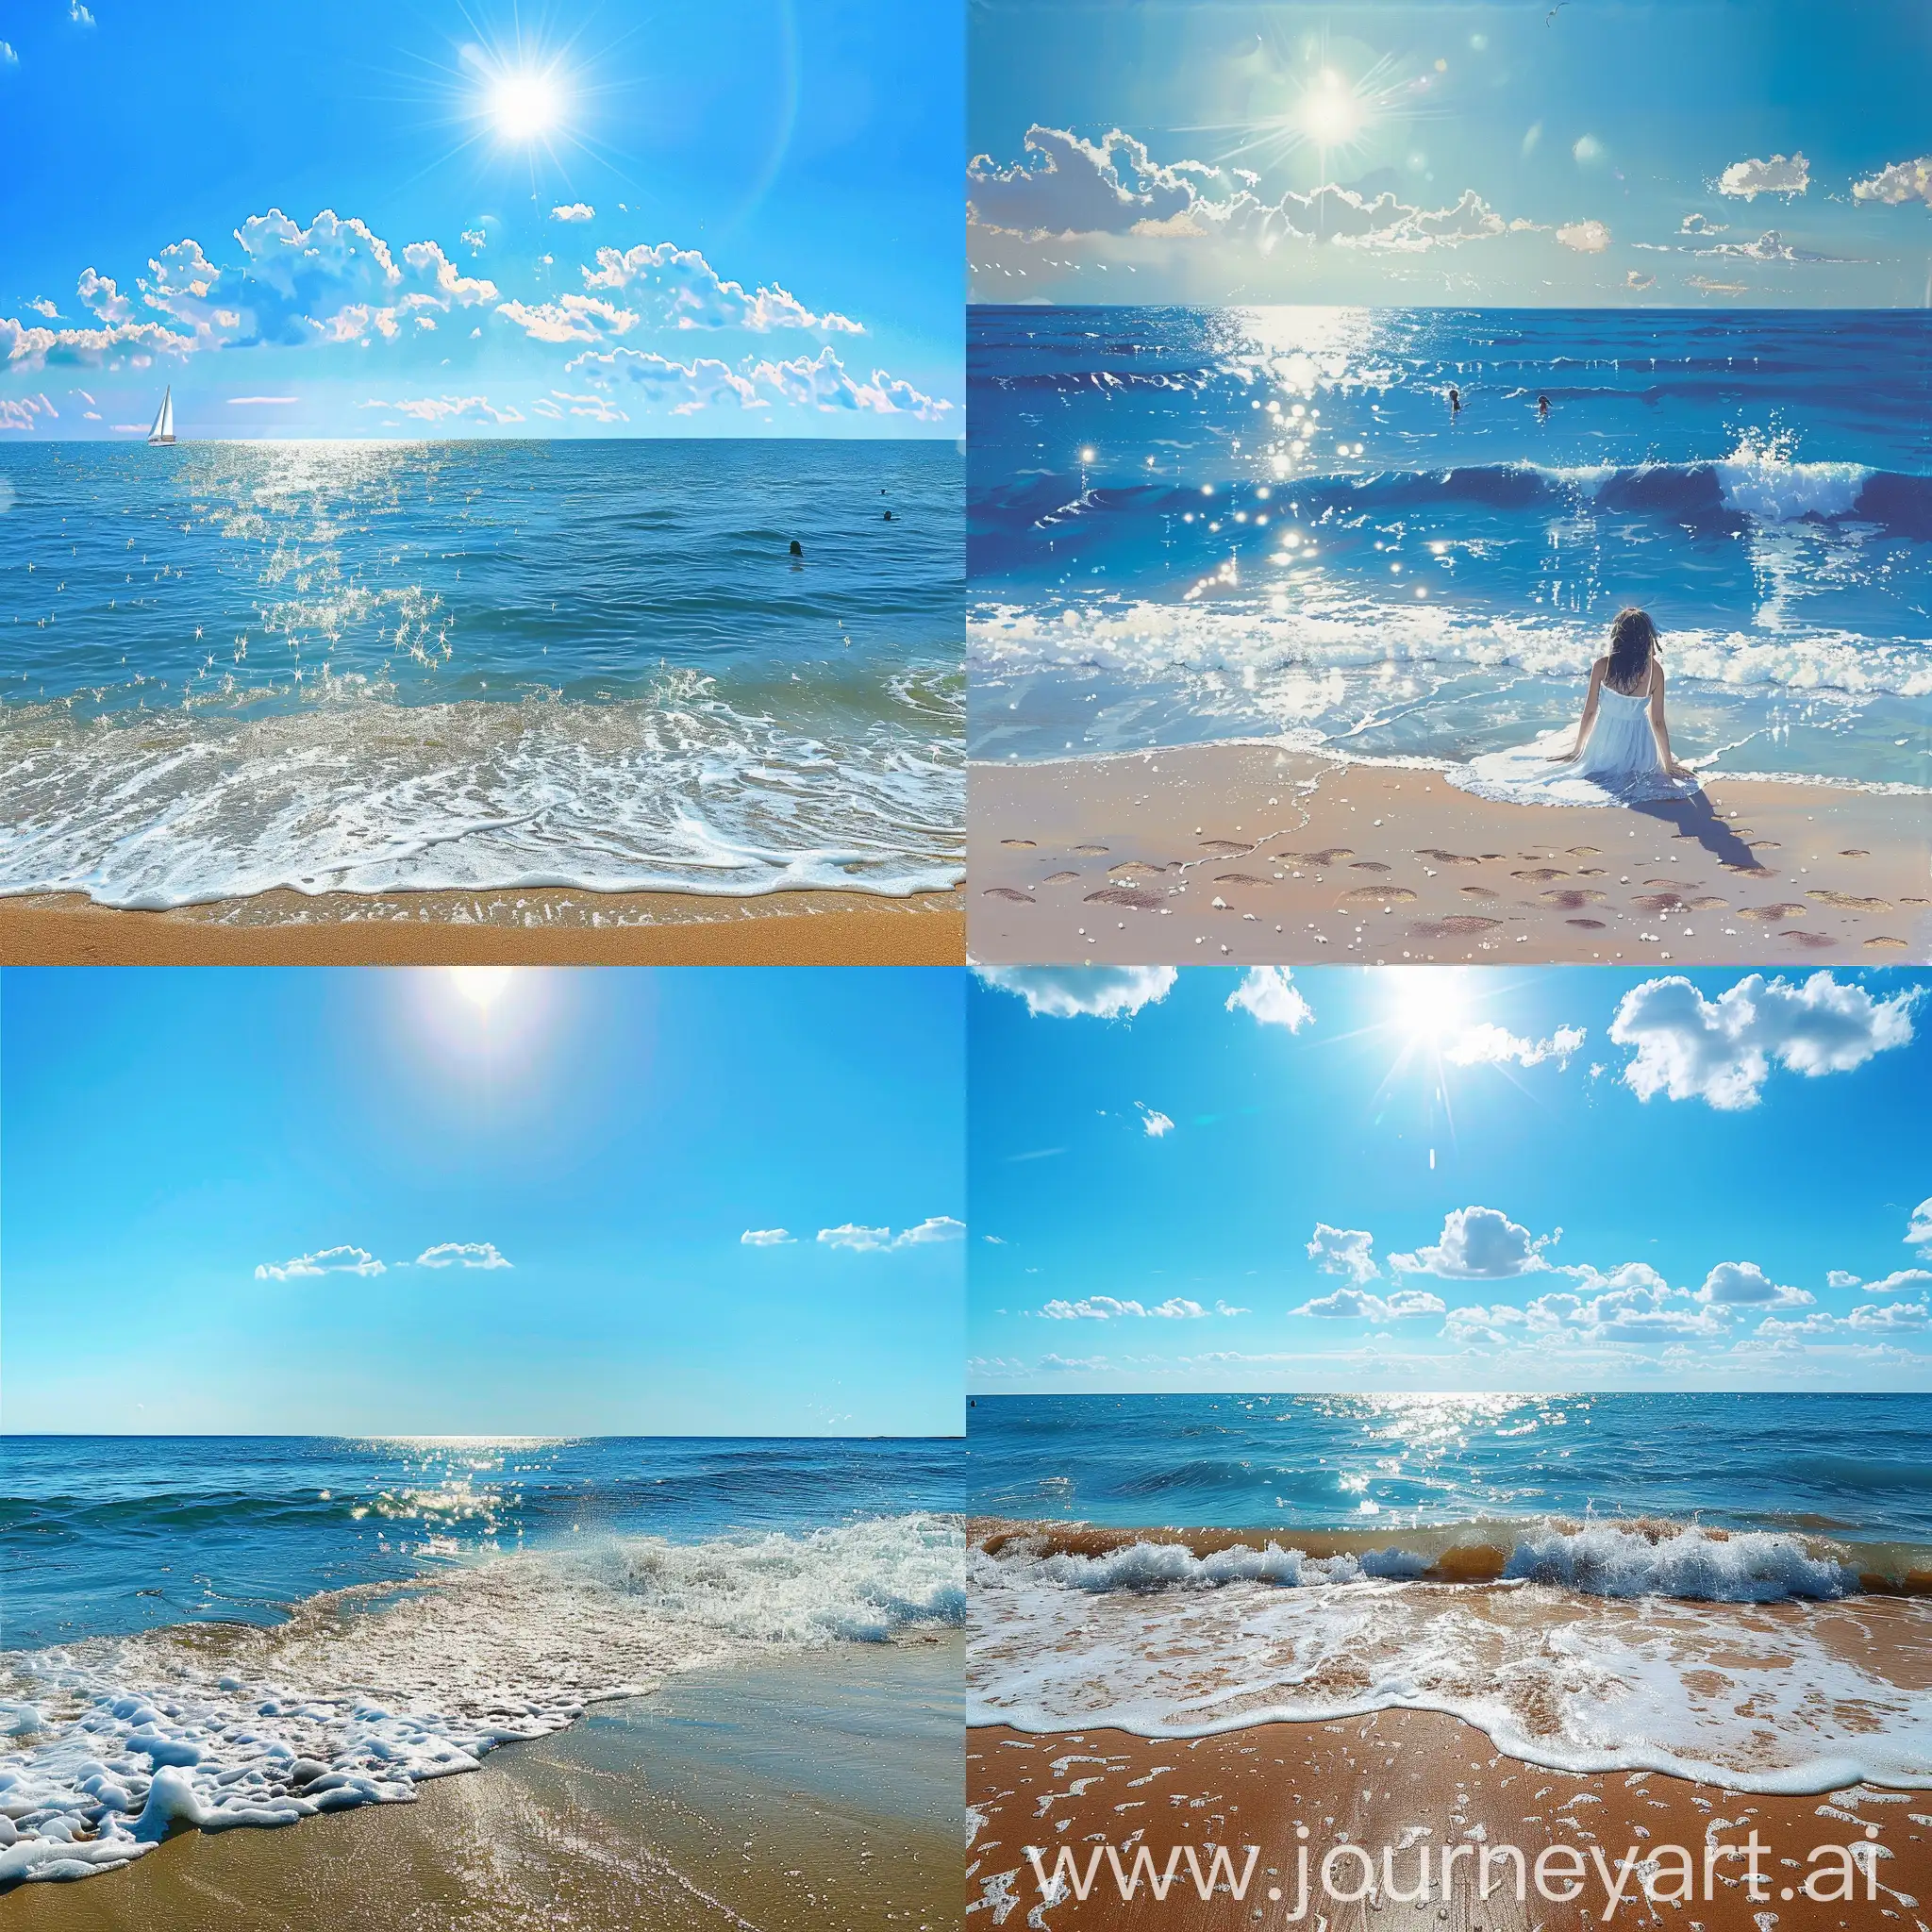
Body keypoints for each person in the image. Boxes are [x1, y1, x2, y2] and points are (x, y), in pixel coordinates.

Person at [1448, 607, 1699, 807]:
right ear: (1647, 637)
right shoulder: (1655, 671)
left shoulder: (1603, 665)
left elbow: (1590, 712)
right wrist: (1666, 765)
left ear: (1618, 636)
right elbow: (1657, 722)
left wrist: (1579, 750)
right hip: (1639, 748)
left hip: (1603, 743)